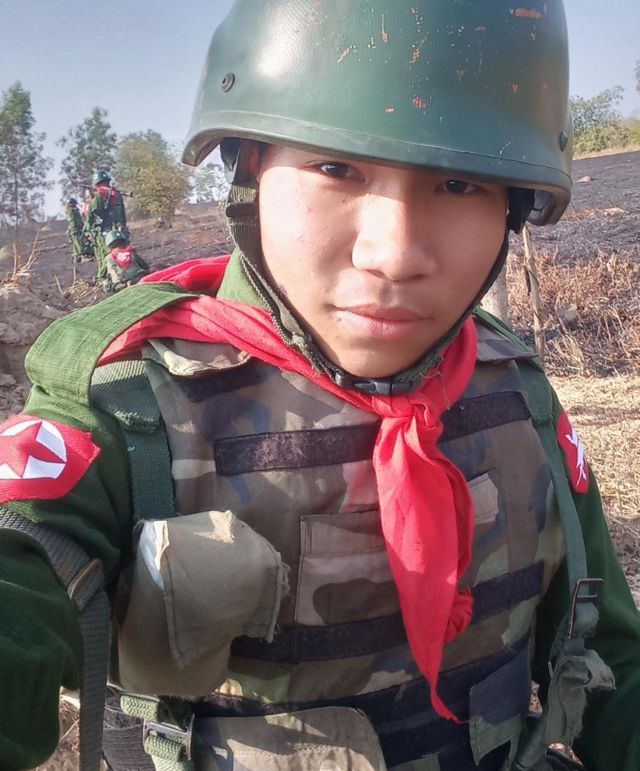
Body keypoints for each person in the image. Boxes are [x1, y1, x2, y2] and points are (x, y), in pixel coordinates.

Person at [1, 2, 639, 770]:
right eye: (336, 168)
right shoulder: (129, 406)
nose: (394, 253)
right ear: (250, 166)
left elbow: (615, 663)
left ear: (514, 206)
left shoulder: (518, 394)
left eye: (459, 182)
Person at [84, 170, 129, 283]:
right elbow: (122, 214)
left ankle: (105, 278)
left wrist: (90, 232)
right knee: (123, 252)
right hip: (120, 230)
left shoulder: (99, 196)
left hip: (105, 231)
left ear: (96, 184)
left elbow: (92, 216)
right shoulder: (117, 194)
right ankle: (126, 274)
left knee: (104, 254)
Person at [63, 197, 93, 263]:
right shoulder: (71, 211)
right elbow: (74, 221)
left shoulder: (71, 211)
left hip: (74, 229)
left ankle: (77, 257)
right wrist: (80, 227)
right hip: (75, 229)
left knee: (76, 244)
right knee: (79, 243)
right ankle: (82, 256)